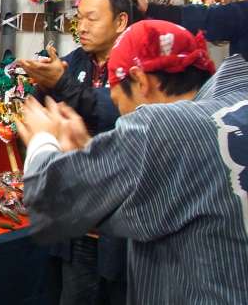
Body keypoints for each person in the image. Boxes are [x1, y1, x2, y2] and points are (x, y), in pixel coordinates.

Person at [17, 20, 248, 304]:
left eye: (118, 103)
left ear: (141, 81)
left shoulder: (166, 127)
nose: (123, 118)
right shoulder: (234, 106)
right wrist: (90, 153)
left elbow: (52, 199)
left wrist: (43, 141)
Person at [18, 0, 130, 305]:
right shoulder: (74, 62)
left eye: (91, 19)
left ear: (120, 22)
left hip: (121, 227)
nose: (81, 27)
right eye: (78, 18)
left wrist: (61, 84)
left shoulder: (134, 67)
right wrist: (42, 85)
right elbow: (44, 110)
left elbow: (112, 112)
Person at [133, 0, 248, 60]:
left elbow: (205, 18)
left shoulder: (243, 11)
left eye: (228, 6)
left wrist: (150, 9)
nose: (225, 10)